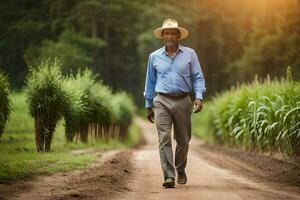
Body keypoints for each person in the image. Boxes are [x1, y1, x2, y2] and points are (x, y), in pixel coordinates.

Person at [144, 19, 206, 188]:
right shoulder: (154, 56)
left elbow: (198, 77)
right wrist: (148, 104)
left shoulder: (190, 54)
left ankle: (180, 168)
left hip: (183, 100)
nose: (169, 36)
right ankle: (169, 176)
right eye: (166, 33)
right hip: (161, 100)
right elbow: (150, 81)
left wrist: (198, 97)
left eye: (173, 33)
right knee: (164, 138)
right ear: (162, 36)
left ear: (179, 36)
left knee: (183, 140)